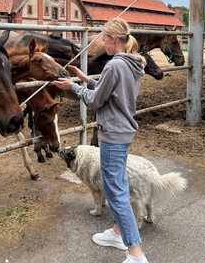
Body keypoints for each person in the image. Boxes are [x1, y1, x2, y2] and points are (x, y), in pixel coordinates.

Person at [54, 17, 149, 263]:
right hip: (123, 132)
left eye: (103, 38)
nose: (102, 43)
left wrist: (72, 87)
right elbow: (112, 91)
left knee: (116, 192)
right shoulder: (131, 63)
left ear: (113, 39)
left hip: (113, 135)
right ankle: (118, 233)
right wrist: (86, 80)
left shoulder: (114, 65)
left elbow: (96, 100)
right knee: (116, 186)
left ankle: (136, 254)